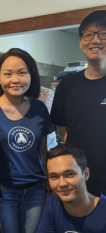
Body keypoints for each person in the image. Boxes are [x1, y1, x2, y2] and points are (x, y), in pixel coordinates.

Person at [0, 48, 54, 233]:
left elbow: (43, 153)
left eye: (22, 72)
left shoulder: (39, 108)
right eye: (8, 74)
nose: (16, 79)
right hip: (4, 192)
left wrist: (47, 189)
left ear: (31, 75)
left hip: (36, 190)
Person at [51, 10, 106, 196]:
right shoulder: (66, 86)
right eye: (88, 35)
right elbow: (64, 130)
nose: (95, 41)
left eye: (103, 34)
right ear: (81, 40)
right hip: (78, 181)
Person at [34, 143, 106, 233]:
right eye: (54, 176)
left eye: (70, 174)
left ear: (86, 174)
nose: (62, 184)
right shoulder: (54, 201)